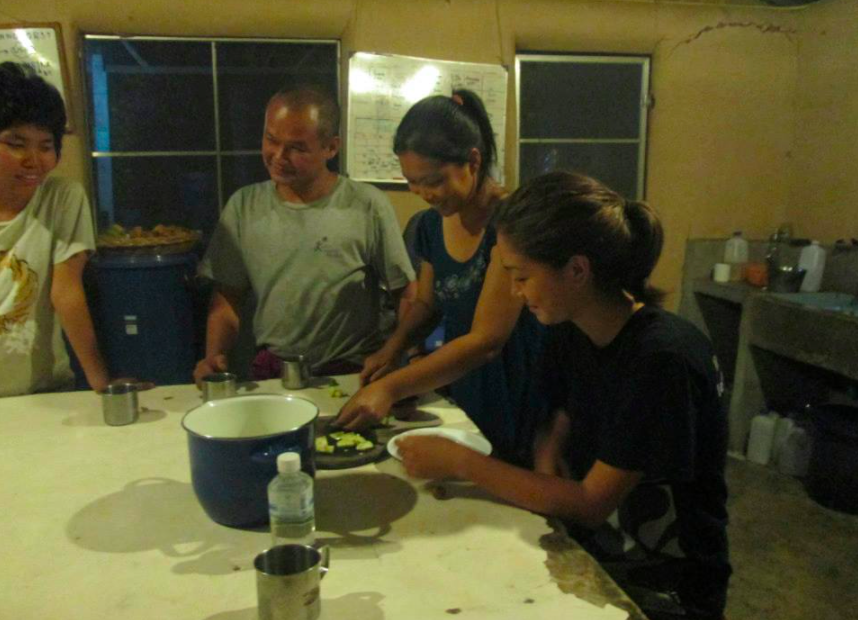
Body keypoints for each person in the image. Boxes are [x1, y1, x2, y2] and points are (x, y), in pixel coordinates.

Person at [395, 171, 731, 620]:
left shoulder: (663, 358)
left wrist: (460, 462)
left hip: (664, 582)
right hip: (595, 546)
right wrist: (546, 461)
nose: (515, 291)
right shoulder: (571, 327)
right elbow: (558, 419)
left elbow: (593, 503)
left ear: (576, 271)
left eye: (521, 276)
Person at [336, 89, 546, 466]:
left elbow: (487, 340)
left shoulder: (511, 221)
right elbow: (428, 304)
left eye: (432, 180)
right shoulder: (431, 226)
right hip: (464, 379)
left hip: (517, 384)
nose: (422, 193)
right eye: (411, 182)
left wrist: (391, 386)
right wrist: (393, 348)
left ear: (473, 160)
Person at [194, 86, 414, 383]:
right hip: (274, 371)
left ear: (331, 148)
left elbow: (406, 293)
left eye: (297, 148)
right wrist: (213, 358)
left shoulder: (367, 205)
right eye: (271, 140)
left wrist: (402, 356)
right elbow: (227, 300)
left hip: (350, 372)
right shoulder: (244, 206)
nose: (279, 156)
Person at [0, 62, 111, 396]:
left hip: (42, 390)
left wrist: (101, 385)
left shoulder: (62, 198)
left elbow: (66, 292)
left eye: (45, 146)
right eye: (16, 143)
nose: (33, 159)